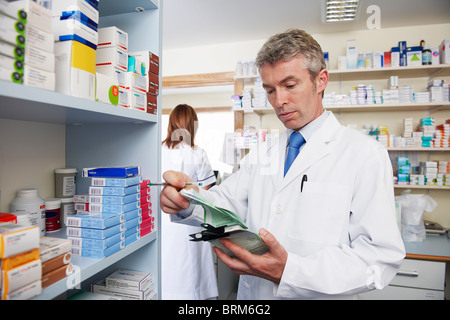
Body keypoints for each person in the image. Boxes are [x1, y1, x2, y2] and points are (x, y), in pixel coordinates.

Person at [160, 29, 405, 299]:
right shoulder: (262, 153)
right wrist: (187, 202)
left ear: (320, 80)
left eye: (290, 85)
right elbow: (224, 203)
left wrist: (290, 271)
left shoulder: (364, 154)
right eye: (270, 90)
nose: (279, 101)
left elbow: (378, 258)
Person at [160, 104, 218, 300]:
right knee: (194, 274)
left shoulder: (159, 149)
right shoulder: (197, 152)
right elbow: (207, 190)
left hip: (164, 219)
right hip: (190, 217)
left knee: (168, 271)